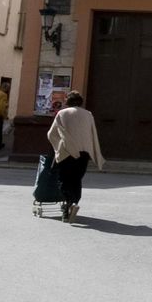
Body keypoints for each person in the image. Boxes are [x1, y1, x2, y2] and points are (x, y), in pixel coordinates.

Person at [47, 91, 106, 223]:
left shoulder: (62, 113)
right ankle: (74, 202)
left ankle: (68, 204)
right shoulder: (88, 114)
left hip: (67, 151)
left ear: (68, 101)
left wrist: (58, 146)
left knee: (64, 179)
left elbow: (51, 134)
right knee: (76, 179)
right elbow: (92, 133)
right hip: (84, 152)